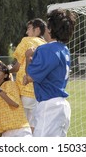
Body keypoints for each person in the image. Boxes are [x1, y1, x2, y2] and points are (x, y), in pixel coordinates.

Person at [24, 8, 77, 137]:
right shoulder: (64, 49)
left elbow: (29, 77)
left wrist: (28, 57)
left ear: (50, 29)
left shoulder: (46, 49)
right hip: (61, 106)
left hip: (49, 106)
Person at [10, 18, 46, 130]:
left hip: (24, 89)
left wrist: (6, 70)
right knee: (34, 126)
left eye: (29, 28)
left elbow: (16, 67)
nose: (26, 32)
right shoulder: (46, 45)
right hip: (39, 92)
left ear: (37, 30)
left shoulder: (26, 41)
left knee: (22, 126)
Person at [0, 62, 32, 137]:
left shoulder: (10, 84)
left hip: (19, 130)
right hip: (5, 134)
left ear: (5, 75)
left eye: (0, 70)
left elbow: (15, 103)